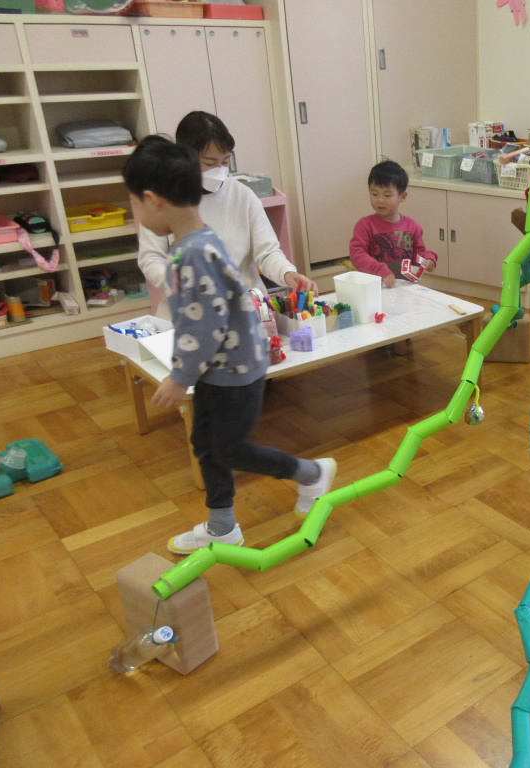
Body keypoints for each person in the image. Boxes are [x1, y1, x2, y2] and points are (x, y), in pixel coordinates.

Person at [122, 135, 336, 554]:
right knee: (206, 445)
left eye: (134, 204)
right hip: (219, 368)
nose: (137, 214)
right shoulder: (196, 242)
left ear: (153, 200)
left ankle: (311, 473)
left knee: (230, 449)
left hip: (234, 372)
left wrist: (179, 377)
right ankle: (222, 526)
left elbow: (205, 327)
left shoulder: (194, 255)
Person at [137, 111, 316, 319]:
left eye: (225, 161)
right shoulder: (163, 200)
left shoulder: (242, 195)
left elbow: (267, 252)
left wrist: (288, 273)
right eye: (210, 162)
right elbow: (151, 258)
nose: (219, 170)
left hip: (243, 307)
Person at [349, 160, 437, 288]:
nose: (380, 200)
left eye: (387, 195)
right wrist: (379, 269)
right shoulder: (364, 225)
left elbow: (418, 256)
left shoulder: (413, 227)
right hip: (375, 287)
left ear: (402, 196)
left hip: (405, 287)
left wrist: (429, 259)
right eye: (374, 194)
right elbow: (357, 254)